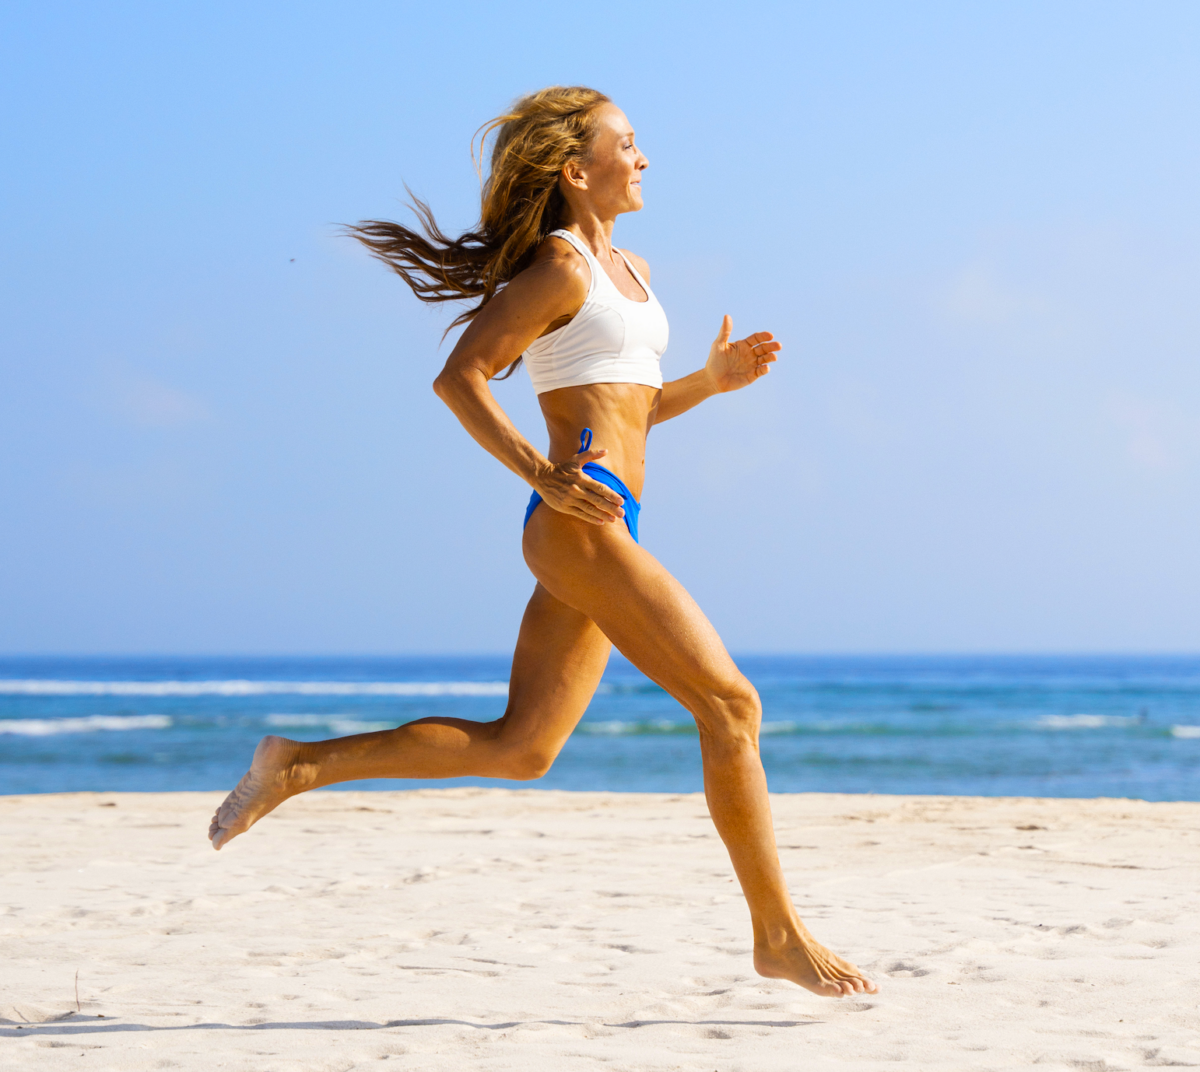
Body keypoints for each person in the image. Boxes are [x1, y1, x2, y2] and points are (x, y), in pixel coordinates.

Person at [208, 86, 876, 998]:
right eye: (628, 145)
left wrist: (710, 383)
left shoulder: (628, 267)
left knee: (523, 747)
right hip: (576, 520)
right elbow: (460, 377)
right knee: (732, 708)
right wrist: (538, 470)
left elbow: (630, 410)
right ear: (577, 169)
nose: (643, 159)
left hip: (609, 520)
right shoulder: (561, 268)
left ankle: (297, 765)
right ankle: (778, 935)